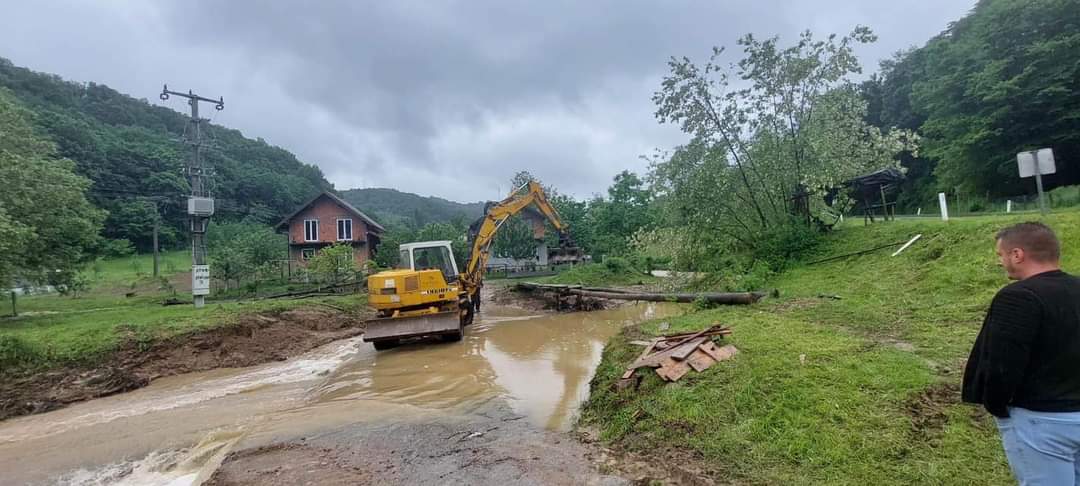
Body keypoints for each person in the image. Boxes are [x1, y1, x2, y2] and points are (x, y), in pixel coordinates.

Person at [962, 221, 1080, 485]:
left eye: (1001, 255)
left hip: (1041, 421)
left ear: (1017, 254)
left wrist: (996, 406)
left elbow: (1002, 363)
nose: (1001, 262)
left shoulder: (1018, 297)